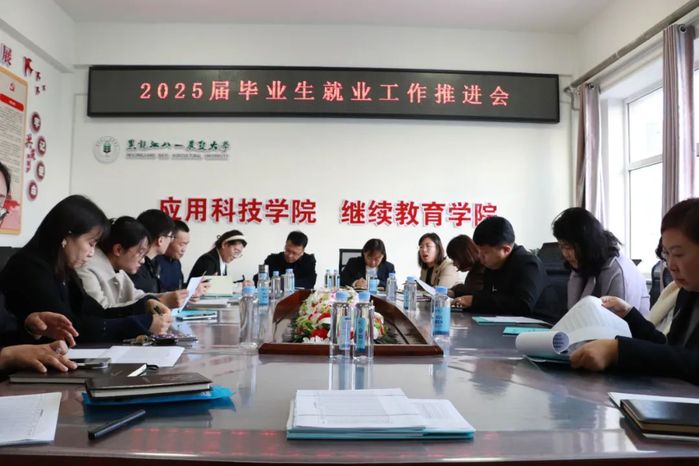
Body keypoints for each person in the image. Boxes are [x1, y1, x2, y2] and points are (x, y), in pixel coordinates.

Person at [0, 195, 172, 343]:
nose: (91, 253)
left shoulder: (64, 269)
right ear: (66, 236)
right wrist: (140, 324)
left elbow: (97, 313)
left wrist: (143, 306)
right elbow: (70, 328)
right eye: (91, 243)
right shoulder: (29, 268)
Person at [571, 198, 699, 384]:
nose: (671, 265)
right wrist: (630, 315)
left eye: (678, 254)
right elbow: (669, 348)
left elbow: (693, 362)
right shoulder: (688, 292)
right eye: (666, 254)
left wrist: (619, 351)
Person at [552, 207, 650, 316]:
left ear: (586, 243)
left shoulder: (618, 271)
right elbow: (573, 314)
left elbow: (621, 323)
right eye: (561, 246)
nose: (565, 253)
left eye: (568, 247)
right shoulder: (583, 264)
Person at [451, 216, 552, 318]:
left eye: (485, 252)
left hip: (536, 323)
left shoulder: (529, 264)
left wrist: (474, 301)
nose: (480, 257)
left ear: (506, 250)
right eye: (478, 251)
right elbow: (488, 297)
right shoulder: (492, 266)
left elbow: (522, 305)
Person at [156, 220, 190, 291]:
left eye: (186, 244)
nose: (184, 249)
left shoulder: (176, 263)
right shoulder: (154, 262)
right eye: (181, 244)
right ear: (170, 240)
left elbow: (178, 288)